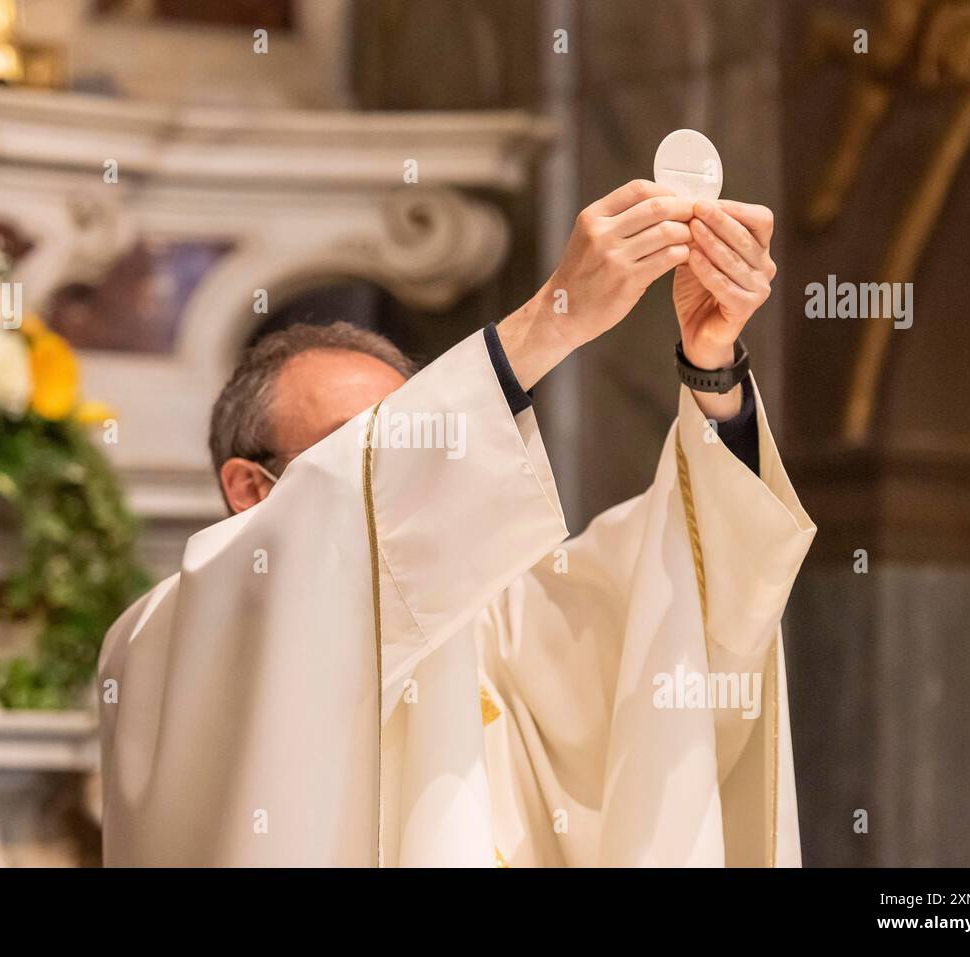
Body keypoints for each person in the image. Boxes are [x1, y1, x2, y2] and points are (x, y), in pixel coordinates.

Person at [99, 179, 816, 866]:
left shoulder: (498, 629)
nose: (415, 476)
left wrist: (712, 371)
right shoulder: (168, 641)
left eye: (413, 433)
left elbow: (678, 599)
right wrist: (551, 320)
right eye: (367, 451)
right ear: (251, 487)